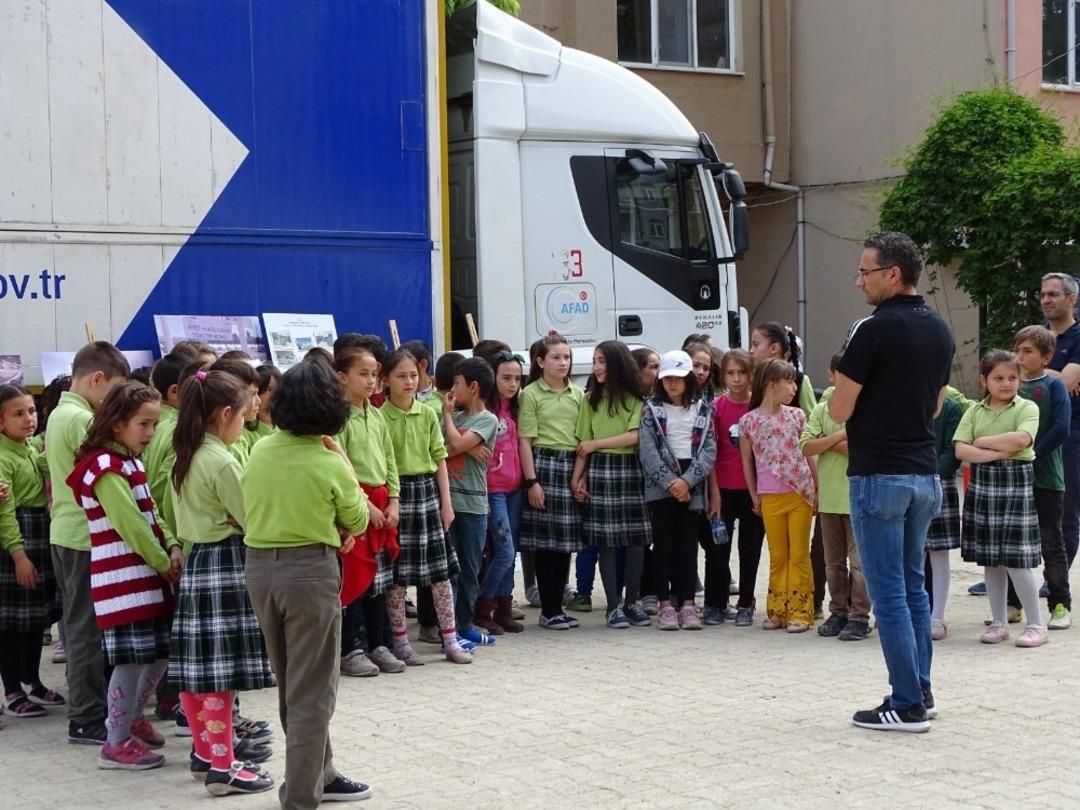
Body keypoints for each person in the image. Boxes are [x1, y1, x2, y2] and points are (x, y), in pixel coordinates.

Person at [829, 231, 954, 733]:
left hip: (879, 473)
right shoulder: (940, 329)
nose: (860, 281)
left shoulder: (871, 329)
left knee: (890, 595)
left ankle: (904, 704)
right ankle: (920, 690)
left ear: (892, 274)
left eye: (866, 271)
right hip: (924, 473)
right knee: (913, 588)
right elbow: (938, 405)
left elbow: (839, 407)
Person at [242, 358, 373, 806]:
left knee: (291, 683)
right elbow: (357, 518)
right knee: (314, 694)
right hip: (310, 574)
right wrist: (342, 464)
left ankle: (323, 773)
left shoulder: (258, 449)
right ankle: (300, 797)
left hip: (260, 571)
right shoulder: (327, 461)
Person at [66, 382, 183, 770]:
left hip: (147, 578)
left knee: (157, 655)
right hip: (124, 583)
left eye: (154, 424)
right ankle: (114, 742)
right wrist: (163, 561)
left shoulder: (130, 462)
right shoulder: (103, 467)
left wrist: (171, 546)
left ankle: (133, 717)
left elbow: (151, 515)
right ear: (116, 423)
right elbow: (130, 525)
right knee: (130, 661)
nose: (150, 433)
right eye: (144, 424)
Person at [168, 369, 274, 795]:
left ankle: (206, 753)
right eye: (244, 412)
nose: (250, 416)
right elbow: (252, 518)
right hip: (227, 564)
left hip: (199, 562)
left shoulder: (188, 453)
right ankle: (224, 766)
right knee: (220, 673)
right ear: (225, 413)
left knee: (199, 670)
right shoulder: (222, 460)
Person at [46, 341, 130, 745]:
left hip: (68, 531)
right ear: (97, 379)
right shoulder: (81, 421)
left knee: (81, 627)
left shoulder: (61, 413)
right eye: (115, 391)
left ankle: (88, 709)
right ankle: (86, 718)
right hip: (83, 537)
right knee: (84, 631)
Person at [380, 349, 472, 664]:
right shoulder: (379, 418)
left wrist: (447, 504)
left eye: (413, 375)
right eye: (400, 376)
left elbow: (439, 460)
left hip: (427, 493)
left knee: (441, 574)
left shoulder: (428, 414)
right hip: (397, 495)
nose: (409, 381)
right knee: (397, 577)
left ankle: (450, 638)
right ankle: (401, 642)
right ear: (386, 380)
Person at [953, 350, 1047, 648]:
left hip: (1015, 483)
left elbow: (1022, 440)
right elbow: (960, 451)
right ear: (984, 380)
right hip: (983, 485)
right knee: (991, 559)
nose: (1006, 384)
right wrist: (997, 450)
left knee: (1017, 558)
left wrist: (981, 443)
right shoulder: (974, 411)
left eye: (1012, 378)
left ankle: (1036, 624)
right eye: (998, 378)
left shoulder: (1027, 407)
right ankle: (999, 622)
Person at [571, 341, 652, 629]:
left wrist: (595, 445)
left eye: (601, 361)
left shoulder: (637, 399)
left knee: (636, 542)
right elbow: (582, 443)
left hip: (630, 470)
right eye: (594, 361)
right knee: (606, 542)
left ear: (617, 364)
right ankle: (613, 606)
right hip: (601, 471)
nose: (596, 367)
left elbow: (634, 437)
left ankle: (632, 602)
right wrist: (577, 478)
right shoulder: (589, 399)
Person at [334, 346, 404, 677]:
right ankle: (352, 648)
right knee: (354, 581)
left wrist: (393, 499)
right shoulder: (339, 419)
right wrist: (366, 506)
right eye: (363, 374)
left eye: (374, 374)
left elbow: (389, 460)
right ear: (342, 377)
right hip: (356, 505)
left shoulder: (375, 414)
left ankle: (379, 643)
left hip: (382, 505)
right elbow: (341, 469)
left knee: (380, 580)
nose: (371, 380)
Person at [638, 350, 716, 631]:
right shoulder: (651, 409)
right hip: (663, 485)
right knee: (663, 546)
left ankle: (687, 603)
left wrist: (688, 482)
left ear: (688, 380)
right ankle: (665, 604)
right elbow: (647, 451)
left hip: (691, 481)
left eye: (678, 378)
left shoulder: (704, 409)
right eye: (667, 378)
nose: (672, 384)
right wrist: (671, 483)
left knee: (687, 546)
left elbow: (709, 451)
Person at [0, 385, 64, 719]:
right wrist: (19, 555)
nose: (29, 419)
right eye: (18, 414)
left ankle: (32, 681)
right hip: (19, 542)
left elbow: (45, 465)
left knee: (34, 621)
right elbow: (5, 514)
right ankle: (12, 690)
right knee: (11, 625)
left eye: (32, 411)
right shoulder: (2, 457)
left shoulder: (27, 449)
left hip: (39, 534)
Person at [740, 359, 817, 633]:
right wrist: (753, 495)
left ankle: (800, 612)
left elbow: (809, 455)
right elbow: (747, 462)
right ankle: (777, 610)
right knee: (778, 554)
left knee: (799, 554)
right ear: (771, 385)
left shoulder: (797, 416)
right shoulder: (748, 421)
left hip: (799, 494)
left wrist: (816, 488)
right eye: (789, 381)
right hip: (769, 496)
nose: (794, 387)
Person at [800, 352, 871, 641]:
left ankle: (859, 616)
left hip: (859, 498)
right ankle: (838, 611)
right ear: (831, 375)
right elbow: (805, 446)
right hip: (829, 498)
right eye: (841, 374)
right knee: (832, 562)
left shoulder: (868, 404)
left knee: (859, 563)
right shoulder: (822, 406)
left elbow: (865, 449)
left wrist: (826, 444)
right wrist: (839, 438)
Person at [518, 333, 586, 630]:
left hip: (570, 465)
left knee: (565, 544)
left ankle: (558, 605)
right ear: (540, 361)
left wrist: (579, 475)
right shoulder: (530, 394)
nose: (563, 363)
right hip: (543, 465)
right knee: (546, 544)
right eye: (556, 358)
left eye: (567, 357)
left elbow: (583, 437)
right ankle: (548, 609)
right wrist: (532, 481)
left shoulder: (578, 394)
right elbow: (525, 441)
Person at [1010, 326, 1072, 629]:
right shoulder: (1009, 386)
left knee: (1051, 542)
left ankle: (1060, 605)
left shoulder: (1054, 386)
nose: (1020, 357)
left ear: (1046, 356)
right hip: (1011, 480)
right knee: (1012, 542)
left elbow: (1061, 427)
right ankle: (1013, 604)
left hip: (1046, 479)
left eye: (1028, 351)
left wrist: (1032, 457)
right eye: (1017, 350)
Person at [442, 357, 499, 644]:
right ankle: (449, 631)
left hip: (474, 506)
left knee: (470, 567)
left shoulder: (487, 420)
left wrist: (456, 434)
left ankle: (464, 625)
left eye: (457, 384)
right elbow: (438, 451)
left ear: (473, 387)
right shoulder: (456, 418)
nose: (452, 390)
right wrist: (464, 446)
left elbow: (452, 445)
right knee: (450, 569)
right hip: (449, 504)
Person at [710, 349, 764, 627]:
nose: (737, 378)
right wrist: (714, 492)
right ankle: (717, 602)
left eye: (742, 372)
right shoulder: (716, 407)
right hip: (723, 490)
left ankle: (745, 602)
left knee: (750, 549)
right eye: (730, 373)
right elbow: (710, 453)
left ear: (752, 375)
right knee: (719, 548)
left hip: (753, 490)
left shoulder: (758, 408)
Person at [476, 352, 526, 634]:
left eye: (517, 379)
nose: (512, 384)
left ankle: (504, 608)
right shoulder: (485, 411)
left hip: (515, 490)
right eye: (506, 377)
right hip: (492, 491)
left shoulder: (516, 408)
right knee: (504, 552)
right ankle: (483, 608)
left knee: (510, 551)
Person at [1040, 272, 1080, 568]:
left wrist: (1035, 373)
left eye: (1053, 294)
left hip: (1070, 435)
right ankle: (1014, 579)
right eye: (1043, 295)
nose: (1046, 300)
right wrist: (1056, 375)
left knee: (1064, 511)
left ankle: (1057, 578)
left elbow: (1065, 384)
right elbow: (1013, 377)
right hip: (1031, 432)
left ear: (1071, 298)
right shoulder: (1036, 336)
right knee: (1023, 509)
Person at [924, 395, 963, 641]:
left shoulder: (951, 408)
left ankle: (937, 616)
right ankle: (916, 613)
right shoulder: (909, 400)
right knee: (912, 554)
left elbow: (952, 450)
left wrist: (932, 473)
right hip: (910, 480)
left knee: (938, 554)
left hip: (941, 483)